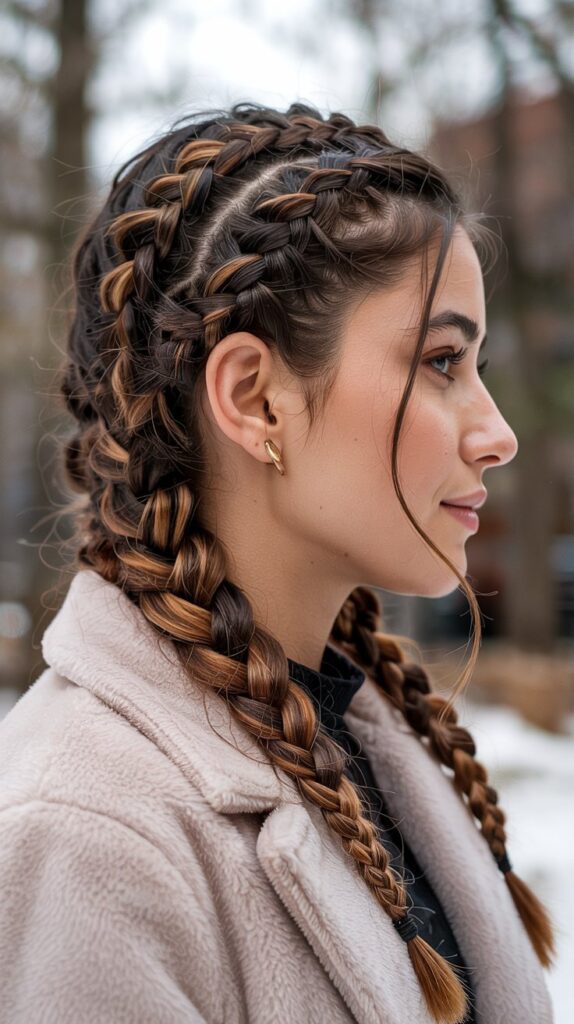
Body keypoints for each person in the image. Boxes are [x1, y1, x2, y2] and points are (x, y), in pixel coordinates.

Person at [0, 101, 556, 1024]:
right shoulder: (85, 840)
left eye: (481, 366)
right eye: (443, 361)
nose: (497, 434)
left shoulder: (361, 737)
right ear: (254, 398)